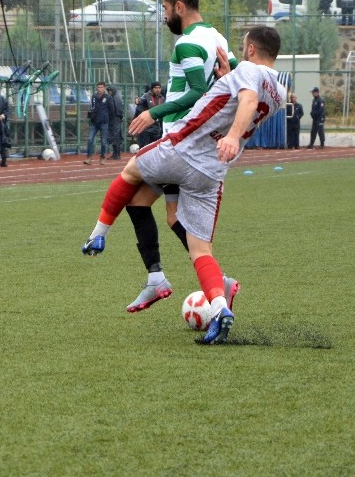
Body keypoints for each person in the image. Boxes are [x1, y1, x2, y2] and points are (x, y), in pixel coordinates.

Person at [82, 26, 285, 344]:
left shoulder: (247, 71)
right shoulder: (278, 91)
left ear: (250, 49)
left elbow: (246, 99)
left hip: (184, 149)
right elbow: (244, 97)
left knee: (130, 171)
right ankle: (220, 309)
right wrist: (228, 77)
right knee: (199, 249)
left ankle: (97, 237)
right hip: (212, 172)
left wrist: (231, 135)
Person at [83, 0, 237, 314]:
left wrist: (153, 112)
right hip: (197, 146)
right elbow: (235, 74)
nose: (165, 16)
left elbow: (196, 91)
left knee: (132, 174)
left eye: (166, 9)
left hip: (179, 141)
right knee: (161, 213)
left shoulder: (187, 43)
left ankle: (111, 244)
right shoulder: (218, 38)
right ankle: (201, 279)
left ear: (179, 7)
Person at [84, 82, 113, 165]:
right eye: (98, 87)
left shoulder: (108, 98)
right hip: (94, 122)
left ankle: (102, 157)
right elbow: (92, 107)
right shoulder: (94, 96)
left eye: (101, 87)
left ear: (104, 88)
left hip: (104, 123)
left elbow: (111, 110)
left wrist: (107, 119)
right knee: (90, 139)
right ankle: (89, 158)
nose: (99, 89)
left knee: (103, 141)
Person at [134, 82, 165, 148]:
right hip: (146, 129)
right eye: (155, 88)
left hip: (157, 129)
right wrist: (137, 100)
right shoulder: (146, 96)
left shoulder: (162, 98)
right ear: (152, 89)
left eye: (159, 88)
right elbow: (140, 100)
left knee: (155, 149)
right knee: (144, 148)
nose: (158, 90)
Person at [107, 85, 124, 160]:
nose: (109, 92)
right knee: (115, 135)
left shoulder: (114, 98)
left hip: (115, 119)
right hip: (115, 118)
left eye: (110, 90)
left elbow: (116, 109)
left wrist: (117, 117)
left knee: (115, 135)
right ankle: (116, 153)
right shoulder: (115, 97)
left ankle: (116, 154)